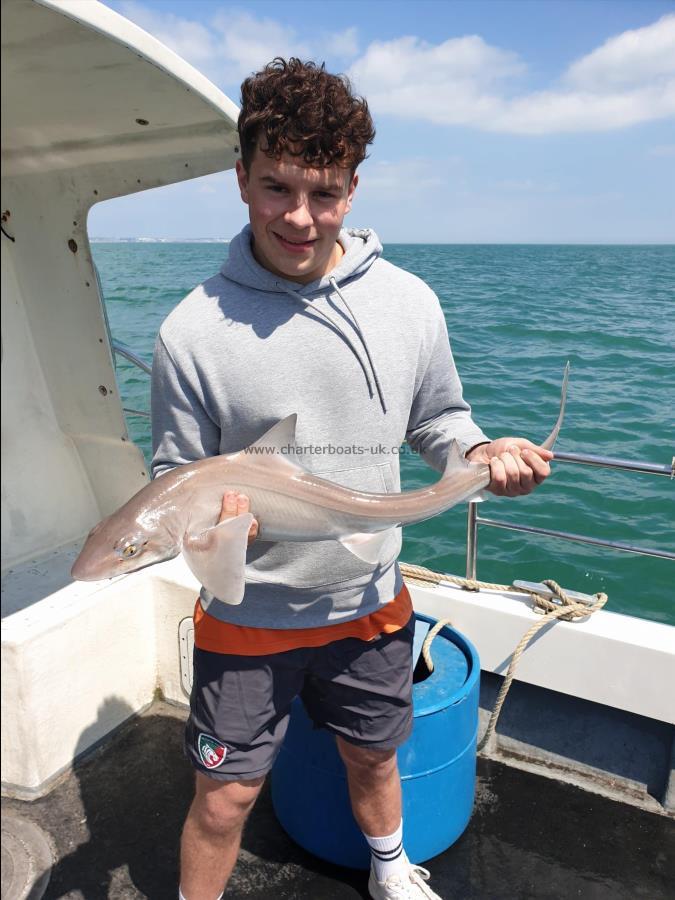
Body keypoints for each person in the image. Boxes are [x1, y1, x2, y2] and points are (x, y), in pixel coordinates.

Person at [151, 58, 553, 900]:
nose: (299, 217)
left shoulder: (407, 303)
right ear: (239, 179)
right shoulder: (189, 332)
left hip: (369, 595)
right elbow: (172, 476)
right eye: (275, 188)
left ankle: (388, 870)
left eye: (324, 193)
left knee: (374, 754)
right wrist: (218, 527)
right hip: (246, 614)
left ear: (353, 188)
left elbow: (440, 419)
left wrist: (478, 459)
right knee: (223, 801)